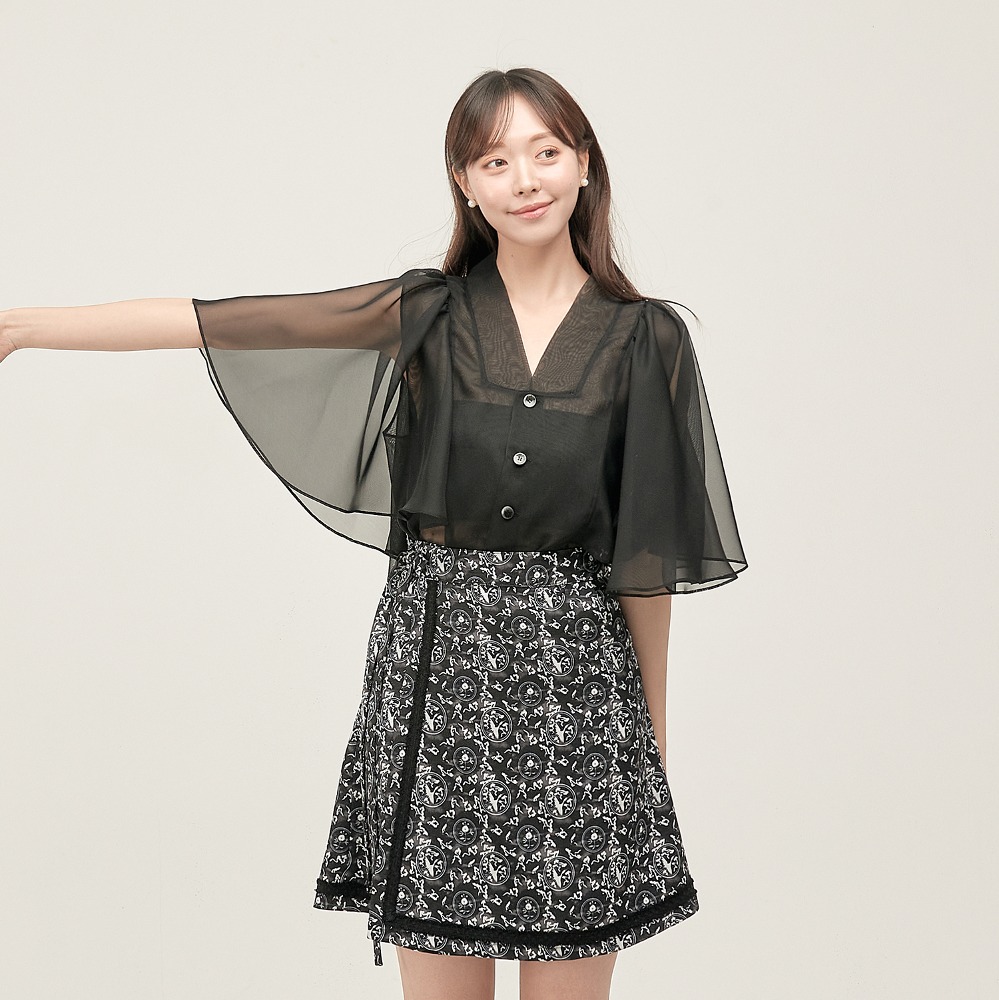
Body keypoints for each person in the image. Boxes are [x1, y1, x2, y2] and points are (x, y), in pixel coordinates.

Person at [0, 67, 748, 1000]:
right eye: (495, 160)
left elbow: (646, 563)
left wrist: (649, 736)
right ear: (464, 183)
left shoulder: (646, 340)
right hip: (431, 685)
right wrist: (18, 326)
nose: (525, 179)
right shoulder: (428, 313)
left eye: (546, 152)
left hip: (577, 701)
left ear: (584, 164)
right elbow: (224, 323)